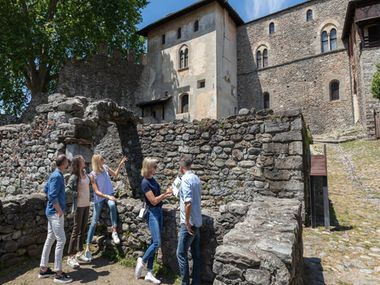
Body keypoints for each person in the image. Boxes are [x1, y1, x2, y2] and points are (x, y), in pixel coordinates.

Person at [135, 157, 173, 284]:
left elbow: (158, 197)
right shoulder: (145, 182)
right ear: (148, 167)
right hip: (152, 213)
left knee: (153, 241)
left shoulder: (152, 179)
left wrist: (166, 194)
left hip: (159, 212)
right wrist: (165, 195)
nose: (156, 168)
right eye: (154, 167)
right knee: (156, 242)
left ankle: (149, 273)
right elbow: (153, 200)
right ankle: (142, 260)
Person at [85, 154, 127, 260]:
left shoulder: (106, 168)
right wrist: (107, 196)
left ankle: (114, 231)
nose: (104, 160)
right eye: (102, 159)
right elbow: (96, 191)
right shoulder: (92, 175)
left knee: (112, 205)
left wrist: (121, 164)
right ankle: (87, 247)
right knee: (94, 222)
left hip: (109, 194)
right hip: (100, 198)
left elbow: (116, 175)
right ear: (97, 162)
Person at [38, 154, 73, 284]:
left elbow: (45, 189)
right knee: (61, 239)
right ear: (63, 163)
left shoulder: (55, 174)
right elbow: (52, 196)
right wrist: (59, 211)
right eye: (67, 161)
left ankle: (43, 269)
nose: (68, 163)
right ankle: (58, 274)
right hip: (55, 213)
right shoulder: (57, 176)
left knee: (50, 238)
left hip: (52, 212)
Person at [176, 155, 202, 285]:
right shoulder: (196, 178)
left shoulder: (185, 179)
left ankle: (184, 283)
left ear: (181, 167)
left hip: (189, 223)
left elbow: (188, 203)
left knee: (181, 253)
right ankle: (196, 282)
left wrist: (186, 222)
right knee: (196, 254)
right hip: (198, 220)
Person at [66, 155, 91, 269]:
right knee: (76, 230)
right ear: (78, 163)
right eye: (82, 160)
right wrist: (77, 194)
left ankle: (79, 253)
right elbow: (67, 190)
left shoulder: (84, 172)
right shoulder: (74, 176)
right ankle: (70, 257)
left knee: (83, 229)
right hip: (79, 207)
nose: (84, 161)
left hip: (86, 205)